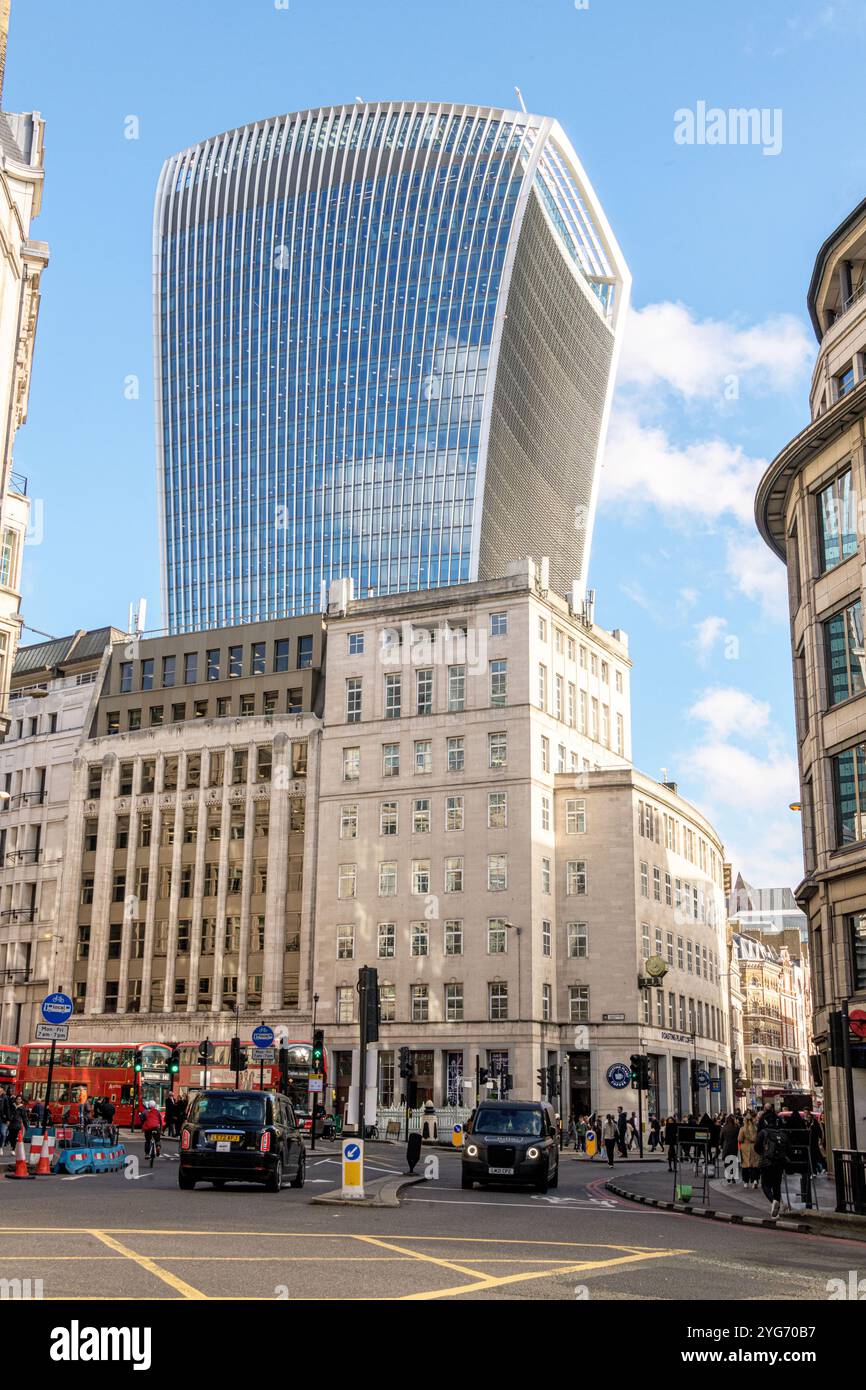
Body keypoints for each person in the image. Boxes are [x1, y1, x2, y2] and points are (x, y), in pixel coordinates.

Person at [754, 1110, 787, 1218]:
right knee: (776, 1185)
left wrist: (763, 1153)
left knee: (765, 1185)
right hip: (779, 1163)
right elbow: (788, 1147)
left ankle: (773, 1202)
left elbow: (757, 1147)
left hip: (767, 1162)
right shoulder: (781, 1133)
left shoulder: (763, 1132)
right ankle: (776, 1210)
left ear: (766, 1121)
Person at [738, 1111, 758, 1188]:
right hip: (753, 1147)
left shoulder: (742, 1129)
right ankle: (755, 1180)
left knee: (745, 1165)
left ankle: (746, 1182)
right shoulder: (755, 1128)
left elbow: (739, 1139)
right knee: (754, 1165)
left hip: (745, 1147)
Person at [720, 1114, 739, 1183]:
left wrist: (720, 1144)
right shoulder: (736, 1127)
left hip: (726, 1146)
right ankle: (733, 1176)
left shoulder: (724, 1128)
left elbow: (721, 1137)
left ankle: (728, 1175)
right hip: (734, 1146)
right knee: (733, 1161)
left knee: (726, 1161)